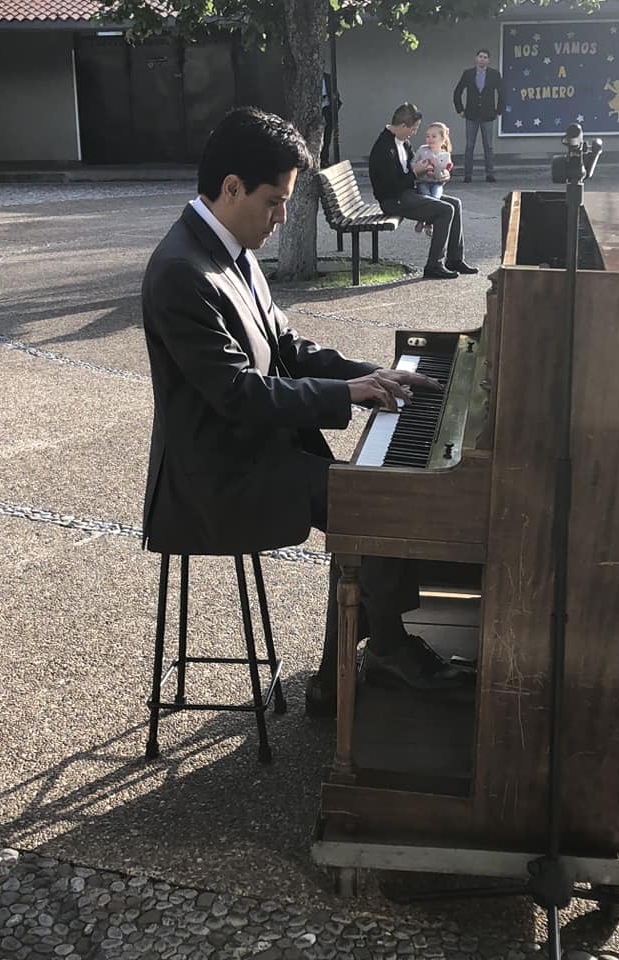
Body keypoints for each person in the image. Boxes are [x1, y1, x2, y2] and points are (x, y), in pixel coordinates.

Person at [140, 106, 459, 720]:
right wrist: (347, 396)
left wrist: (370, 375)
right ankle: (373, 655)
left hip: (254, 450)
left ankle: (353, 664)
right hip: (214, 475)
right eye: (274, 201)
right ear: (231, 188)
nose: (283, 216)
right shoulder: (182, 271)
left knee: (371, 500)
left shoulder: (228, 245)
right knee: (372, 503)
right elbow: (237, 394)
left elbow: (288, 349)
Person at [368, 102, 478, 280]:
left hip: (409, 193)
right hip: (393, 200)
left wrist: (441, 175)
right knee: (445, 210)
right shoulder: (383, 148)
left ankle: (455, 259)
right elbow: (392, 186)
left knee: (455, 204)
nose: (414, 133)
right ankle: (434, 265)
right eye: (413, 128)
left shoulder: (404, 144)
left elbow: (416, 173)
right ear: (403, 126)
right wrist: (414, 172)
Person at [453, 48, 505, 183]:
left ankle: (490, 174)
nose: (482, 59)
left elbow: (502, 93)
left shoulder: (494, 74)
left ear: (488, 60)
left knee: (488, 146)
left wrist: (499, 110)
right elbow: (458, 91)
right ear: (476, 58)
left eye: (485, 57)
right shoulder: (468, 74)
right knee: (470, 145)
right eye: (480, 56)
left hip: (488, 115)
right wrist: (460, 109)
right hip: (471, 115)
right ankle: (468, 175)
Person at [411, 121, 454, 237]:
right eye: (427, 136)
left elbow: (447, 168)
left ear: (442, 139)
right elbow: (413, 163)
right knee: (426, 197)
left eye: (434, 136)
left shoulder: (445, 154)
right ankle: (423, 220)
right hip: (423, 180)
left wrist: (445, 171)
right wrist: (418, 165)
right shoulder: (422, 150)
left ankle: (427, 222)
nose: (429, 139)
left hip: (437, 182)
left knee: (435, 198)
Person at [321, 71, 341, 168]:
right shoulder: (310, 77)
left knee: (327, 135)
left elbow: (335, 93)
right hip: (316, 109)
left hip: (327, 108)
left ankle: (324, 159)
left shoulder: (328, 78)